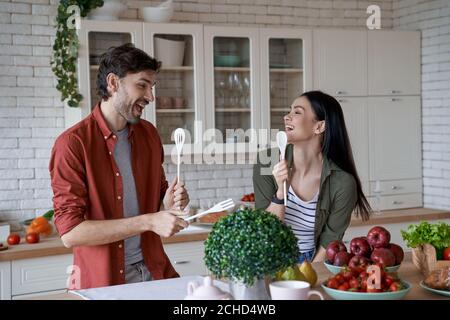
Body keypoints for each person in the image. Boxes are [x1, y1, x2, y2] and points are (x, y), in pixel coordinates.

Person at [49, 43, 190, 290]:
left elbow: (157, 208)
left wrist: (167, 204)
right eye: (142, 85)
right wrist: (148, 221)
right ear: (114, 83)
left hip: (155, 273)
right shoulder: (72, 144)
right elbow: (70, 233)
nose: (150, 97)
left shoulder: (149, 135)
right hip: (104, 284)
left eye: (152, 87)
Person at [253, 91, 371, 264]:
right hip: (267, 259)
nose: (287, 117)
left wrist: (310, 273)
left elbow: (330, 240)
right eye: (289, 111)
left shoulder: (343, 183)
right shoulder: (266, 161)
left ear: (319, 127)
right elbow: (262, 230)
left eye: (297, 112)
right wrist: (280, 192)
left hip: (310, 261)